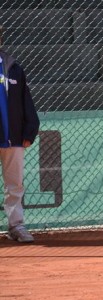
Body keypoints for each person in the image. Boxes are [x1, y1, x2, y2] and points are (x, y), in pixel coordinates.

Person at [0, 33, 40, 243]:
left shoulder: (13, 67)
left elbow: (26, 101)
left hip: (13, 137)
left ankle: (16, 226)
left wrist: (30, 129)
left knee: (14, 184)